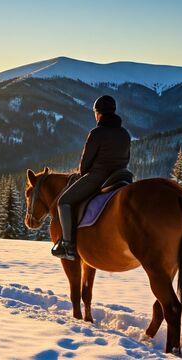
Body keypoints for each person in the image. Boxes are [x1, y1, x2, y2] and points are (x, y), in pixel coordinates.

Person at [52, 95, 131, 260]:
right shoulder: (124, 133)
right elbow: (126, 158)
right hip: (120, 177)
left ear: (99, 113)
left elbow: (85, 164)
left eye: (95, 113)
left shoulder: (97, 133)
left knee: (63, 202)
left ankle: (68, 246)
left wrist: (84, 172)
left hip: (99, 177)